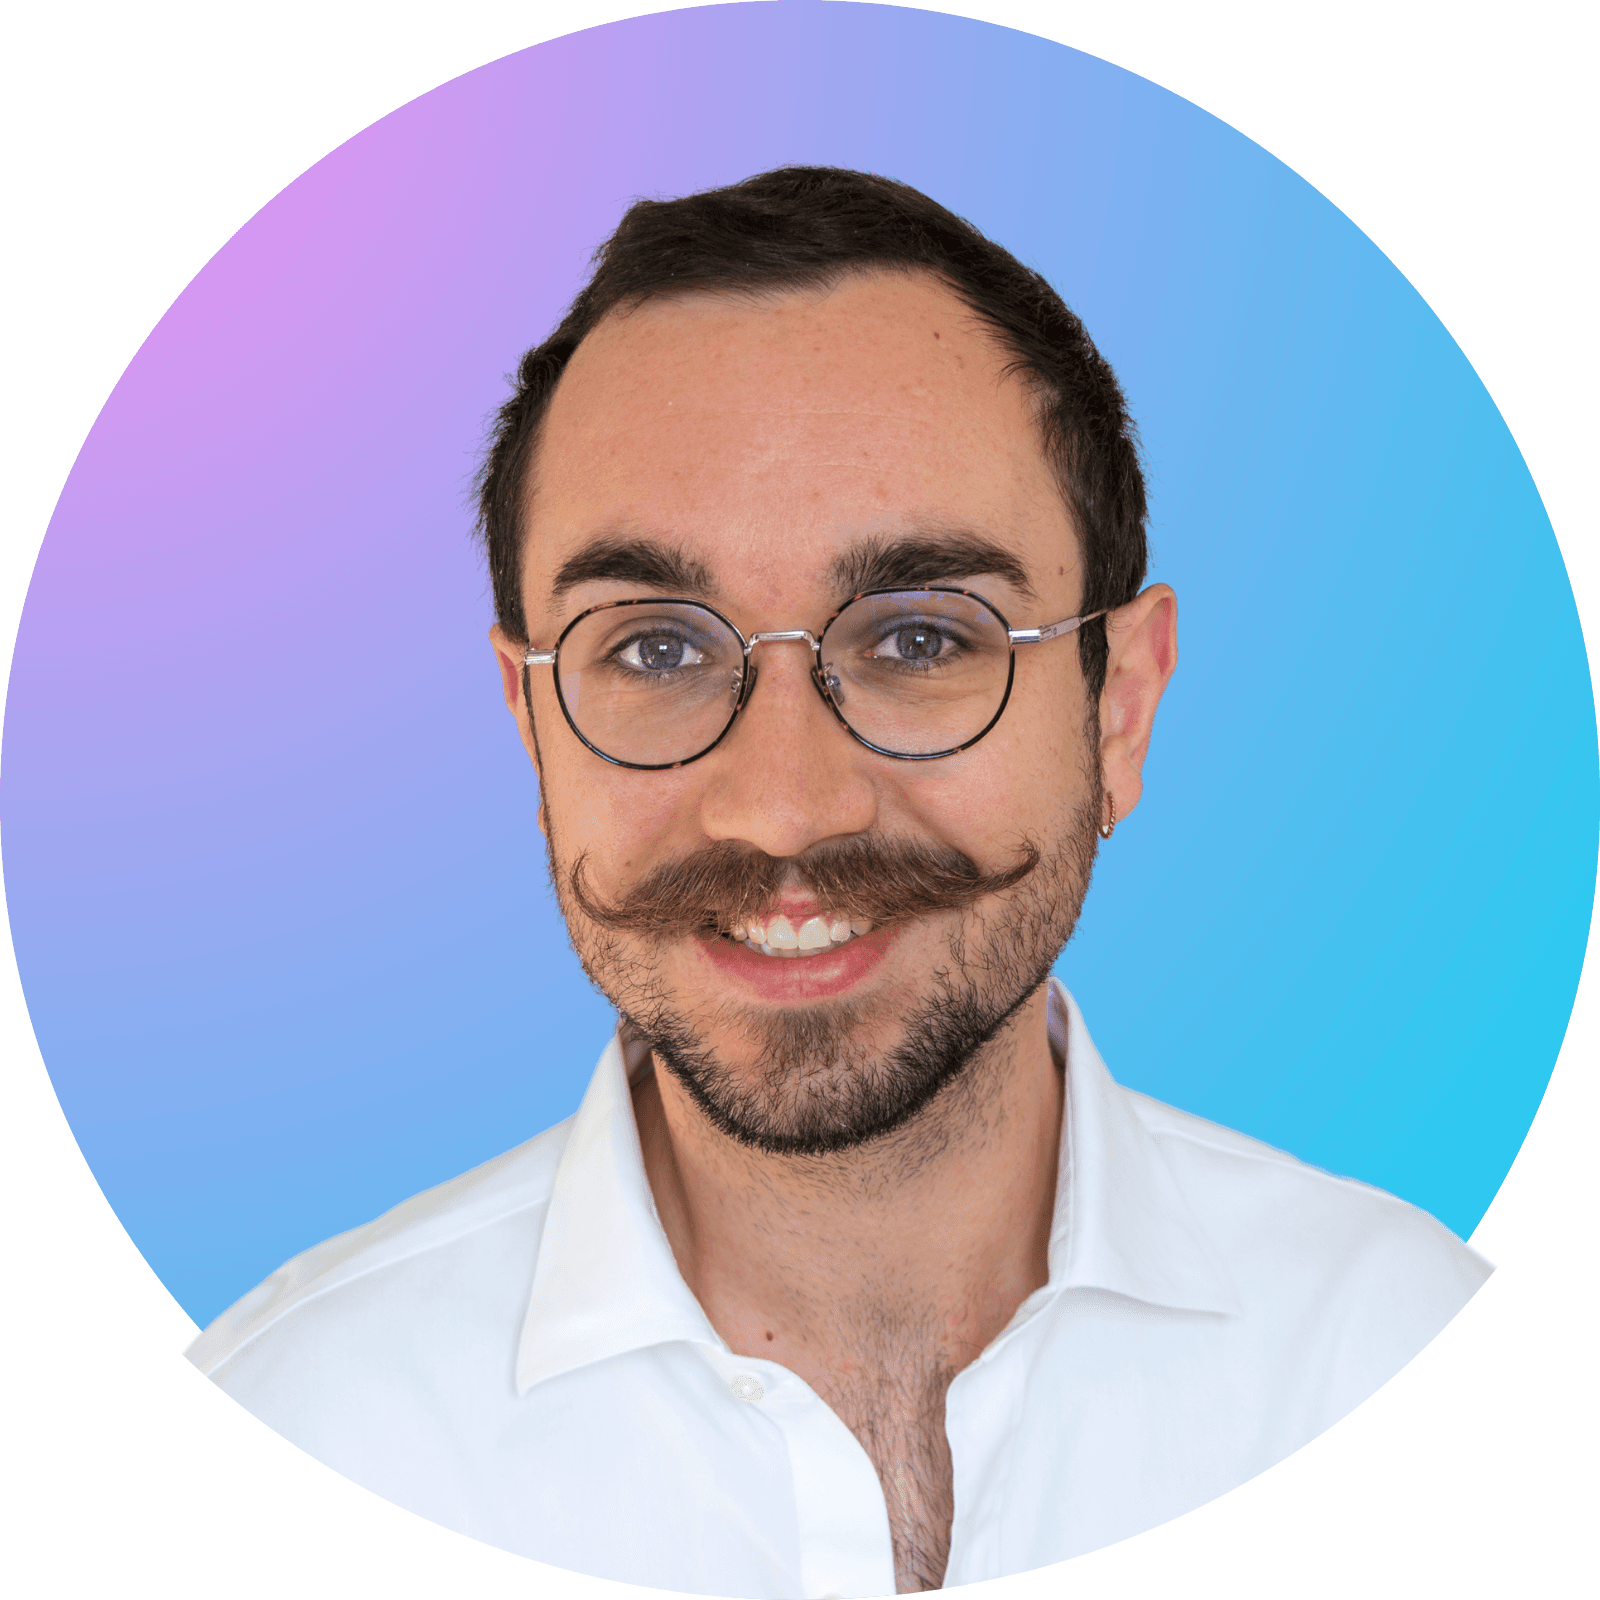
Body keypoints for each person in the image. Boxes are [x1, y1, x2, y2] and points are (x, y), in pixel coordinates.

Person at [187, 168, 1489, 1596]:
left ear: (1120, 709)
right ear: (531, 721)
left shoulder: (1432, 1379)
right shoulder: (273, 1454)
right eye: (655, 651)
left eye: (922, 639)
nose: (784, 808)